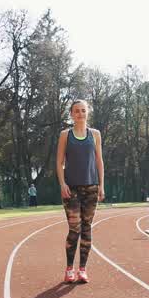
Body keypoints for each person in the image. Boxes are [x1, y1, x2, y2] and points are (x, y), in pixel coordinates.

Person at [57, 99, 105, 284]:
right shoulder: (64, 135)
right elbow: (59, 162)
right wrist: (62, 184)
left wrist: (102, 185)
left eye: (83, 110)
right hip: (72, 188)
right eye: (76, 111)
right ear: (71, 114)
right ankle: (69, 268)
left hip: (91, 187)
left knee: (87, 228)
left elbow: (99, 161)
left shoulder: (95, 134)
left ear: (87, 113)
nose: (80, 114)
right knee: (74, 228)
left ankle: (82, 269)